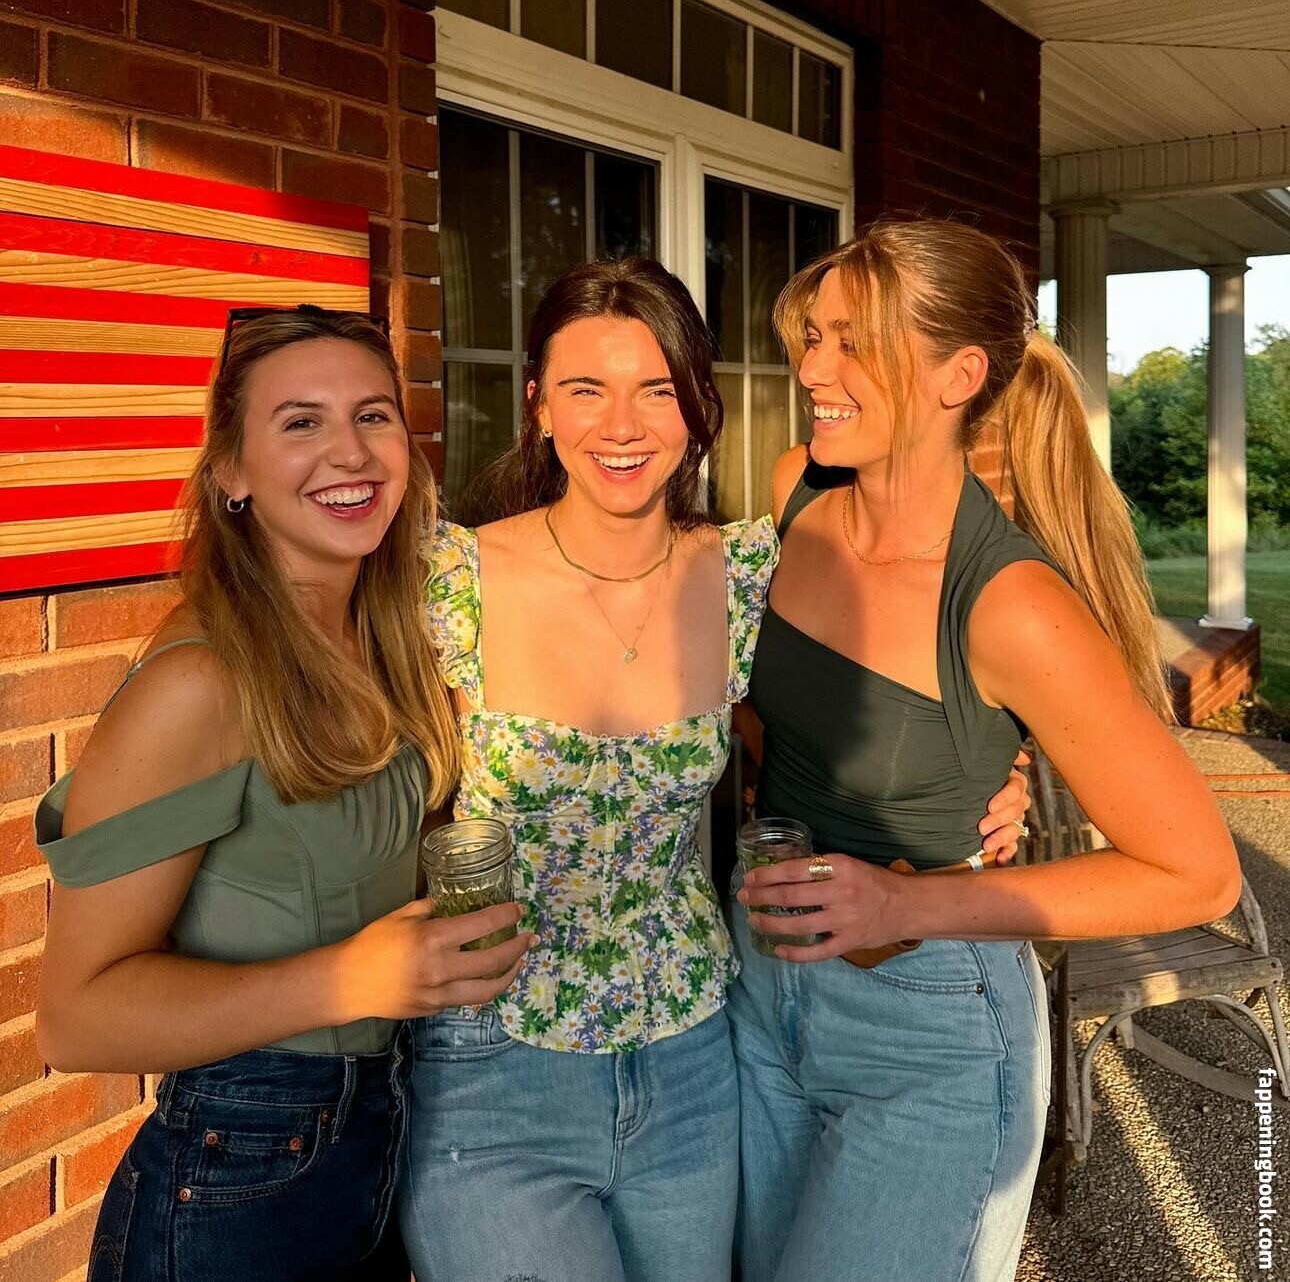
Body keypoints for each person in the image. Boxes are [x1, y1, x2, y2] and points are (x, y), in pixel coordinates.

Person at [398, 257, 1031, 1282]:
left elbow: (847, 710)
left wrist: (993, 771)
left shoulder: (746, 571)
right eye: (586, 388)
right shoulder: (449, 580)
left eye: (656, 389)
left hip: (695, 1057)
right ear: (540, 407)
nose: (622, 424)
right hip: (498, 1061)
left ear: (696, 409)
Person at [728, 222, 1242, 1282]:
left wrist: (902, 899)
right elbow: (784, 709)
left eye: (854, 342)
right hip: (763, 984)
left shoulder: (1012, 605)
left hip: (929, 1027)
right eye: (814, 335)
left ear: (959, 376)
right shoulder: (797, 492)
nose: (812, 369)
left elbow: (1197, 872)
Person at [34, 306, 529, 1282]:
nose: (350, 452)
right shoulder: (199, 680)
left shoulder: (382, 637)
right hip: (237, 1174)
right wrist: (352, 978)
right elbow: (75, 1018)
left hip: (377, 1138)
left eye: (374, 415)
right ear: (231, 470)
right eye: (301, 421)